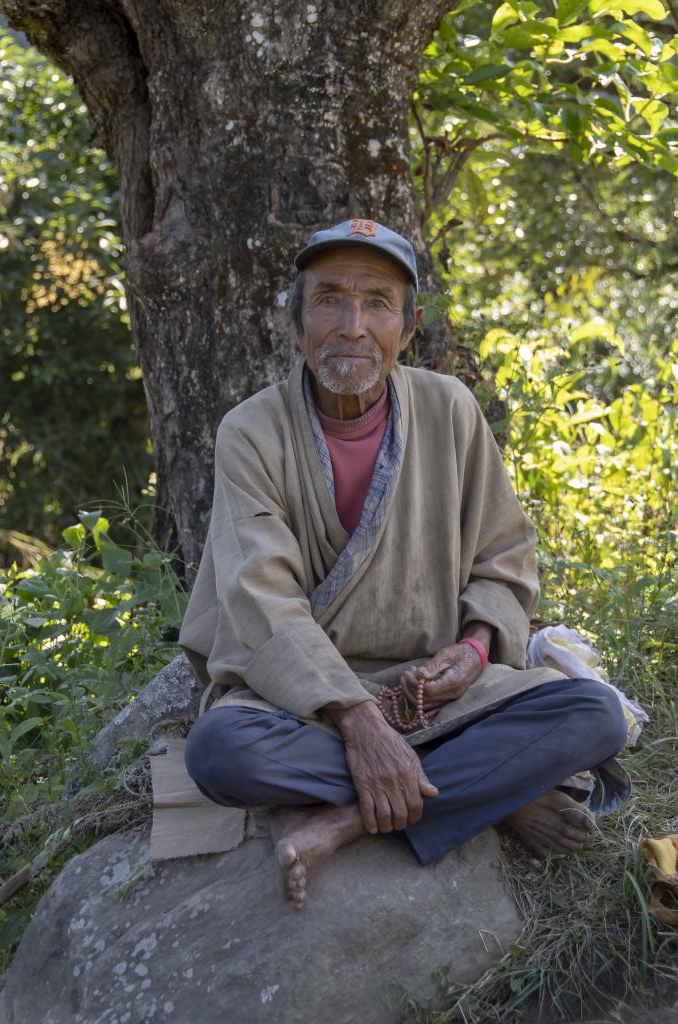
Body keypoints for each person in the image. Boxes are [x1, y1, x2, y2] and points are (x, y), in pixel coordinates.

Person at [180, 219, 628, 911]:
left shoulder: (449, 409)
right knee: (221, 751)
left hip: (440, 697)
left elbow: (503, 555)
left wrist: (476, 652)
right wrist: (359, 722)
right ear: (297, 319)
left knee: (595, 715)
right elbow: (260, 595)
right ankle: (498, 795)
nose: (352, 326)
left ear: (407, 328)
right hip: (310, 703)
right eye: (329, 299)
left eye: (378, 303)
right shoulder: (251, 432)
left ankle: (349, 819)